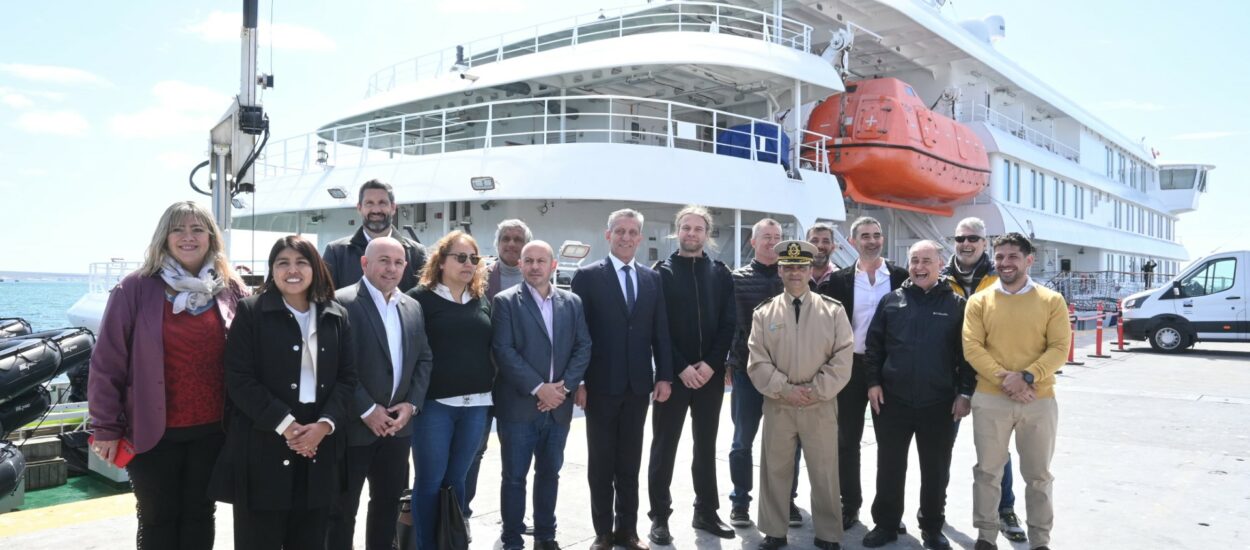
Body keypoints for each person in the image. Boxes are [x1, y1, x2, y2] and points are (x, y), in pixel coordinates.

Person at [88, 201, 248, 550]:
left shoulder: (230, 289)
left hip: (213, 430)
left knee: (200, 513)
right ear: (165, 236)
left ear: (210, 237)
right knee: (157, 516)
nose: (187, 237)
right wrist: (105, 427)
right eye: (178, 229)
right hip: (151, 432)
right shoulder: (135, 289)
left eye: (197, 229)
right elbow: (106, 363)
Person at [210, 235, 358, 549]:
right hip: (264, 446)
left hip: (320, 447)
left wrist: (324, 426)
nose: (293, 270)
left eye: (301, 262)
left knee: (310, 539)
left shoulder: (336, 316)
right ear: (272, 270)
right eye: (283, 263)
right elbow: (239, 379)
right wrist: (286, 425)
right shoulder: (251, 312)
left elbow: (348, 379)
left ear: (316, 268)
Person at [570, 208, 674, 550]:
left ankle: (627, 531)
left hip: (638, 386)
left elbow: (660, 332)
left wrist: (665, 376)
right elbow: (578, 333)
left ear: (640, 238)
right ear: (608, 235)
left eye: (632, 232)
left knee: (630, 463)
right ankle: (602, 532)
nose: (626, 237)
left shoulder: (651, 278)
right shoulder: (586, 277)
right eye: (620, 231)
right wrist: (579, 382)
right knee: (601, 463)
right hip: (600, 386)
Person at [860, 241, 975, 550]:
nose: (920, 267)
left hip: (938, 403)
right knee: (889, 466)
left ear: (940, 265)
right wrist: (873, 383)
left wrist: (964, 393)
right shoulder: (890, 302)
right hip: (892, 402)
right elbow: (874, 349)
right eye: (914, 261)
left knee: (936, 470)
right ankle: (885, 524)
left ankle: (932, 526)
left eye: (927, 261)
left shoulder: (957, 305)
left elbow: (967, 356)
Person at [963, 233, 1070, 550]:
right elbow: (972, 348)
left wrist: (1027, 376)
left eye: (1012, 257)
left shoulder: (1051, 301)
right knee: (987, 473)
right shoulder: (979, 301)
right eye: (999, 257)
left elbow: (1060, 348)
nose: (1004, 263)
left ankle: (1039, 540)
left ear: (1028, 260)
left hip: (1039, 400)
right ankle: (985, 536)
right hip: (990, 399)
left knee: (1038, 476)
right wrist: (1006, 379)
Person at [327, 237, 434, 550]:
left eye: (398, 262)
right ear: (364, 263)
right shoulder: (340, 302)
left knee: (387, 507)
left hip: (397, 431)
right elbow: (334, 364)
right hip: (352, 428)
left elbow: (424, 358)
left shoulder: (412, 306)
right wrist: (366, 409)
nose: (392, 268)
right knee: (342, 511)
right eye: (384, 260)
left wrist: (411, 405)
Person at [747, 240, 854, 550]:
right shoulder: (764, 313)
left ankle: (829, 533)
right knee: (775, 469)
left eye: (801, 267)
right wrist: (785, 389)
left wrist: (816, 391)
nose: (795, 273)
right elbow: (757, 359)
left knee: (824, 471)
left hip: (820, 405)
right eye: (789, 267)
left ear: (811, 270)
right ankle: (774, 531)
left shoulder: (832, 311)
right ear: (780, 270)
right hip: (779, 403)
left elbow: (843, 356)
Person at [492, 240, 592, 550]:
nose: (535, 266)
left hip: (559, 408)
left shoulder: (572, 302)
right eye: (529, 260)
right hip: (520, 406)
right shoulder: (505, 301)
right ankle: (511, 539)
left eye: (541, 261)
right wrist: (540, 388)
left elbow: (583, 346)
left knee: (550, 473)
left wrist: (562, 389)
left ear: (553, 266)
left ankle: (546, 535)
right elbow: (504, 351)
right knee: (514, 478)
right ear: (520, 265)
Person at [646, 206, 737, 544]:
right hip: (674, 374)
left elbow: (729, 323)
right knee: (664, 446)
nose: (692, 233)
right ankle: (659, 516)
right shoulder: (662, 273)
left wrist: (712, 364)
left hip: (709, 376)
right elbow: (660, 328)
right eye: (686, 227)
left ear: (707, 234)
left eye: (698, 228)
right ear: (677, 231)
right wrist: (680, 367)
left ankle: (706, 510)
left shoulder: (720, 273)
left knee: (706, 445)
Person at [817, 216, 908, 531]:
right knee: (846, 441)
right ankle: (850, 504)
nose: (872, 240)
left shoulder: (900, 277)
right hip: (850, 368)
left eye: (877, 235)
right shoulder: (839, 281)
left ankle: (890, 512)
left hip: (889, 369)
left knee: (891, 443)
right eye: (865, 236)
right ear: (853, 242)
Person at [407, 230, 497, 550]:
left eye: (474, 258)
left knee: (457, 480)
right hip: (435, 406)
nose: (469, 263)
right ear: (441, 261)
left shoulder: (481, 300)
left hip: (477, 406)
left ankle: (451, 542)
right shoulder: (419, 298)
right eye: (461, 257)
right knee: (430, 481)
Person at [940, 217, 1025, 544]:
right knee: (941, 447)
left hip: (993, 376)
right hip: (949, 375)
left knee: (997, 451)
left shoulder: (1003, 277)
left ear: (985, 241)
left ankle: (1005, 510)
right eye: (960, 237)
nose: (966, 243)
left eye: (973, 237)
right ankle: (935, 506)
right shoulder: (940, 277)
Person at [727, 219, 803, 528]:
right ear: (752, 241)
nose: (772, 242)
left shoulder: (794, 278)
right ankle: (740, 501)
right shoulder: (736, 279)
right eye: (766, 237)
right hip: (749, 373)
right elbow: (730, 325)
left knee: (790, 441)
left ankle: (787, 500)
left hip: (789, 373)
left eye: (777, 237)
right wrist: (729, 364)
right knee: (742, 441)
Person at [466, 219, 534, 522]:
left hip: (519, 382)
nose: (511, 244)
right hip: (482, 378)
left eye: (518, 239)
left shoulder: (538, 278)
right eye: (505, 238)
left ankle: (515, 516)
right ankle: (461, 514)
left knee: (517, 452)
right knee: (473, 450)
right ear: (497, 243)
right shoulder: (477, 276)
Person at [323, 179, 427, 291]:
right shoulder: (336, 253)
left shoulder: (416, 253)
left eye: (382, 203)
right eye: (369, 203)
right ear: (359, 208)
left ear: (393, 208)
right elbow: (325, 299)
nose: (376, 210)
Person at [807, 223, 839, 288]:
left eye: (825, 241)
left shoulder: (841, 278)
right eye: (814, 241)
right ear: (806, 246)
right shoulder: (795, 276)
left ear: (833, 247)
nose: (820, 246)